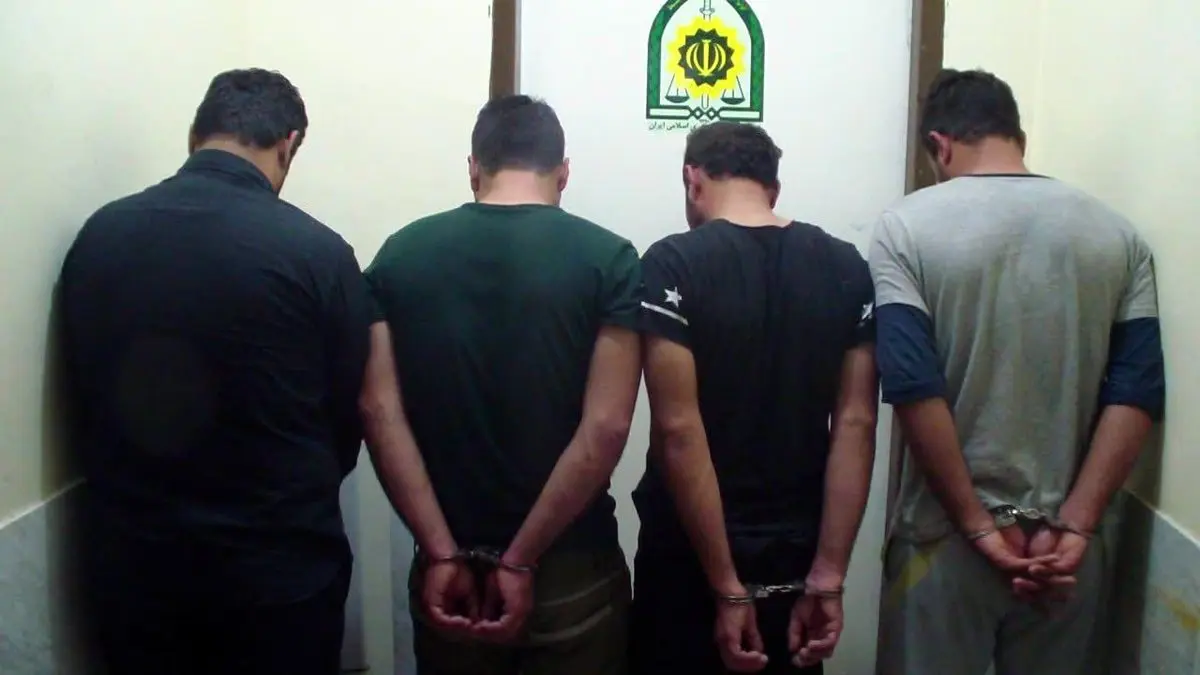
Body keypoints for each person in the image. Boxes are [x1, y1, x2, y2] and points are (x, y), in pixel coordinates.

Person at [57, 68, 375, 675]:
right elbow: (343, 419)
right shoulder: (319, 254)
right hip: (276, 582)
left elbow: (85, 395)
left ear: (194, 136)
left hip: (135, 581)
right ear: (288, 145)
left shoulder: (100, 237)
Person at [871, 68, 1165, 675]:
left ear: (940, 145)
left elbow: (913, 385)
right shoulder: (1119, 237)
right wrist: (1076, 527)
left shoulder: (906, 228)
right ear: (1019, 139)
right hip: (1066, 555)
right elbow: (1136, 391)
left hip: (944, 539)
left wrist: (978, 527)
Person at [360, 94, 643, 675]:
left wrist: (441, 552)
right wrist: (521, 560)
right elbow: (607, 426)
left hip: (450, 572)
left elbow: (379, 412)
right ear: (564, 172)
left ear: (473, 168)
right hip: (571, 567)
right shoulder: (611, 260)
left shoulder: (399, 255)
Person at [629, 121, 880, 675]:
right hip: (797, 557)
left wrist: (726, 588)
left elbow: (678, 430)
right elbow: (857, 424)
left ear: (692, 180)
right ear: (774, 187)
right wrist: (830, 576)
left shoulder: (672, 264)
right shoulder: (846, 266)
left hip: (687, 557)